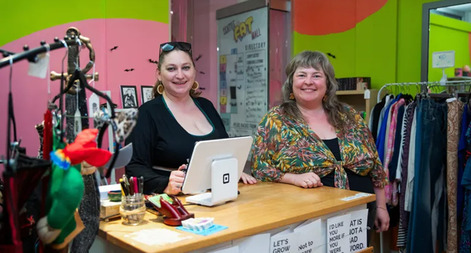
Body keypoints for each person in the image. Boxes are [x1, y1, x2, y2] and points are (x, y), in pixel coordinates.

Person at [251, 50, 389, 234]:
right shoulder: (275, 121)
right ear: (292, 82)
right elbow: (260, 168)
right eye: (301, 75)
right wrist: (293, 178)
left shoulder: (349, 115)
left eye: (316, 75)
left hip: (361, 215)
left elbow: (375, 166)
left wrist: (381, 206)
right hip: (308, 221)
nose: (309, 81)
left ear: (327, 83)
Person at [126, 41, 257, 195]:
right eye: (171, 69)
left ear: (194, 71)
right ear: (159, 75)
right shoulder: (146, 113)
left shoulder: (206, 106)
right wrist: (164, 183)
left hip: (217, 196)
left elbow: (223, 150)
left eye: (186, 67)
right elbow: (134, 167)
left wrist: (231, 168)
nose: (180, 75)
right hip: (177, 204)